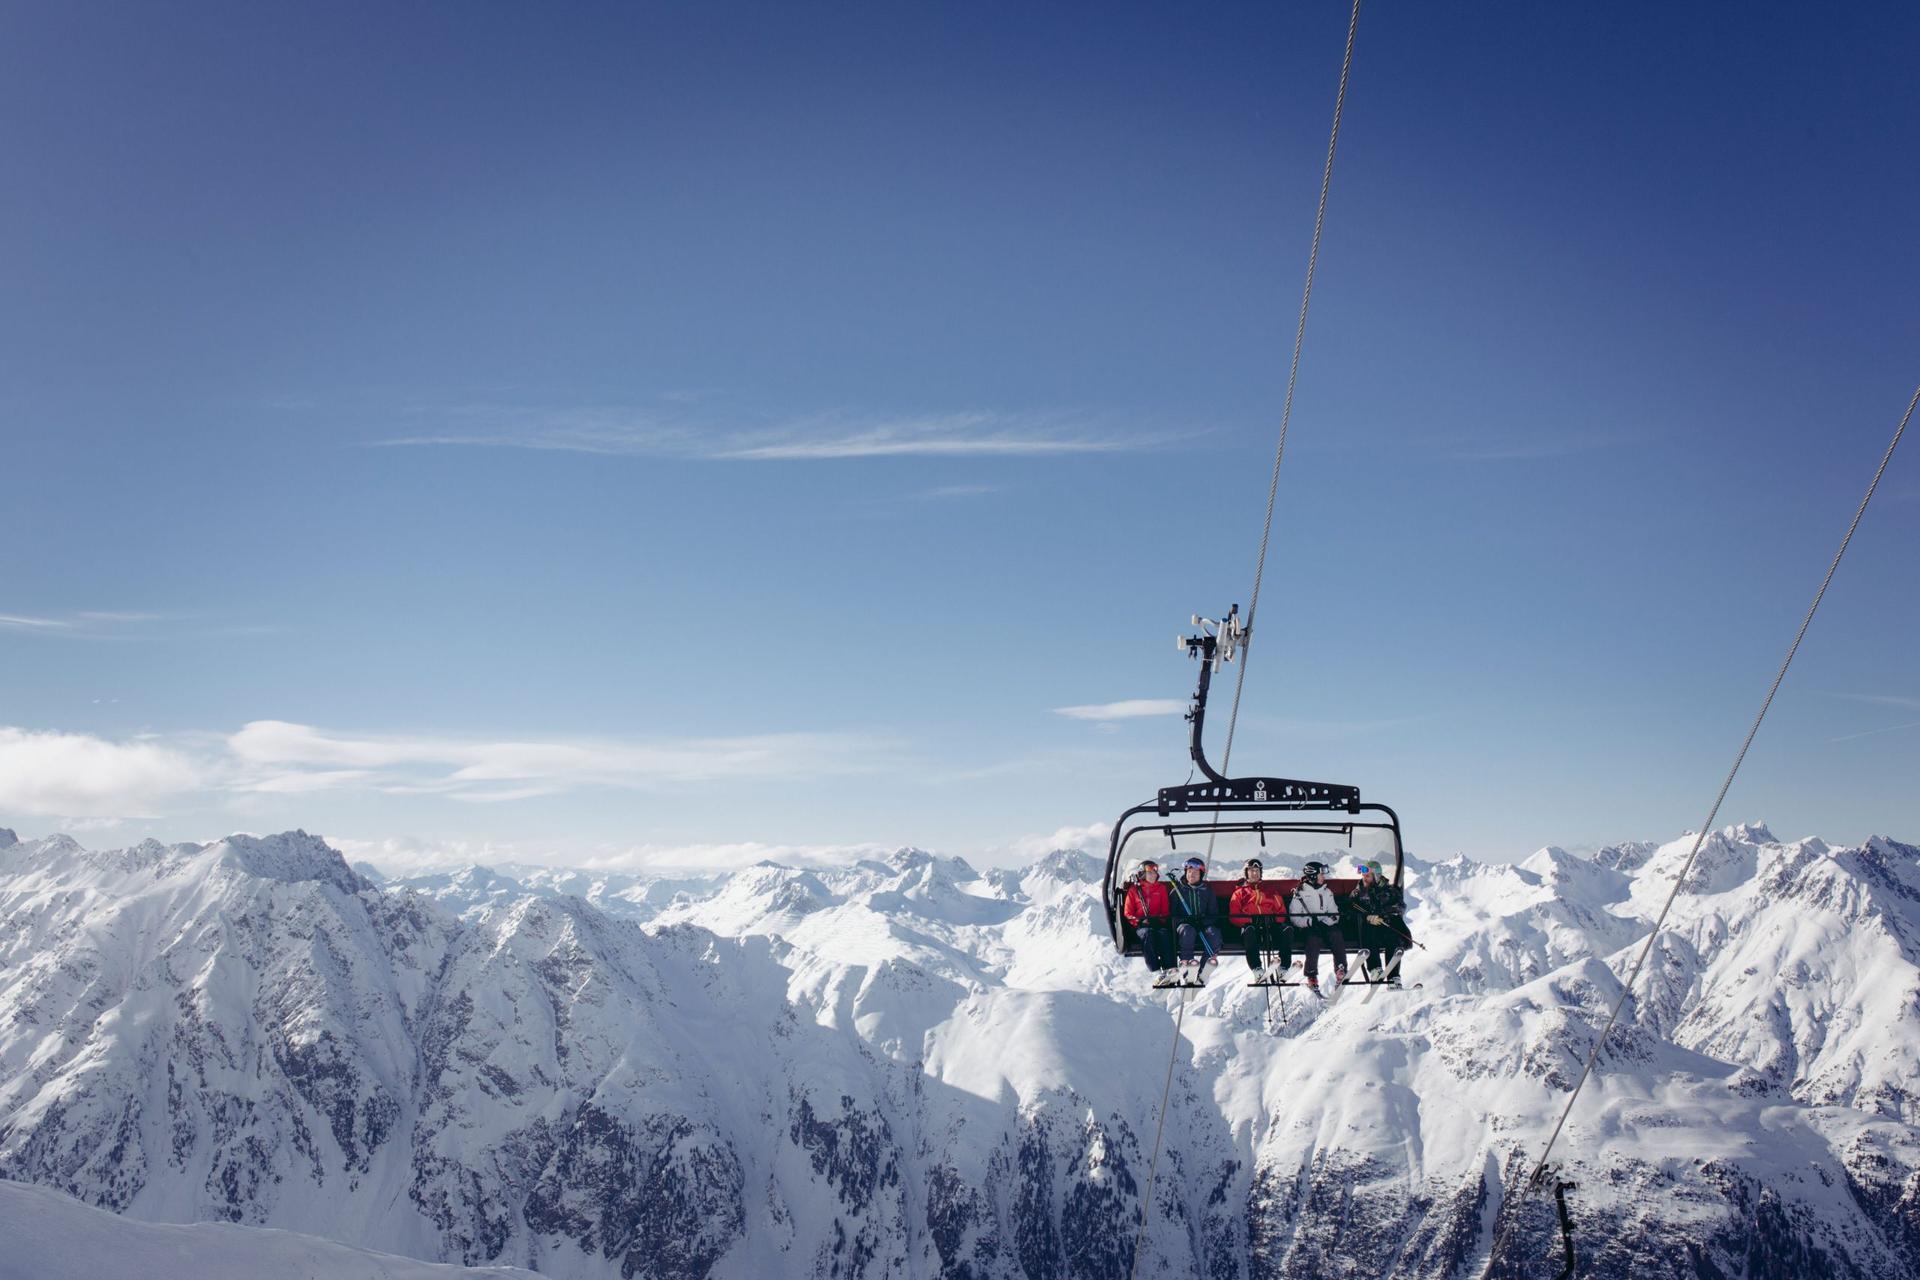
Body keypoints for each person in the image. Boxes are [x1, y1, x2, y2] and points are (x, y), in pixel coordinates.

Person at [1227, 858, 1291, 982]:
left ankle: (1283, 968)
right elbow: (1234, 915)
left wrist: (1273, 920)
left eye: (1257, 871)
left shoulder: (1271, 891)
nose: (1255, 873)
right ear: (1246, 873)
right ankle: (1257, 969)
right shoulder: (1239, 893)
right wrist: (1250, 920)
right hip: (1251, 927)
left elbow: (1281, 911)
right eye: (1251, 871)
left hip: (1269, 925)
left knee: (1287, 930)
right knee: (1249, 931)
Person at [1287, 860, 1347, 991]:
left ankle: (1340, 969)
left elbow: (1334, 912)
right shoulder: (1300, 893)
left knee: (1336, 934)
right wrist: (1309, 922)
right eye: (1321, 874)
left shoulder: (1327, 892)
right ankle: (1311, 975)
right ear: (1313, 875)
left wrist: (1326, 922)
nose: (1323, 877)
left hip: (1325, 925)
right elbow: (1294, 916)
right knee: (1313, 939)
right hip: (1309, 928)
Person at [1348, 859, 1410, 985]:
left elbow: (1400, 906)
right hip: (1366, 929)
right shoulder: (1358, 892)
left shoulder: (1389, 891)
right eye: (1363, 875)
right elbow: (1350, 908)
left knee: (1393, 939)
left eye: (1368, 875)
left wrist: (1382, 913)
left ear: (1376, 876)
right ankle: (1375, 969)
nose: (1364, 878)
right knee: (1369, 932)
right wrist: (1367, 917)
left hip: (1385, 925)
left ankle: (1393, 976)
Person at [1168, 855, 1224, 983]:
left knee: (1214, 934)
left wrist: (1202, 922)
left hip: (1203, 924)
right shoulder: (1178, 890)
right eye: (1189, 872)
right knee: (1188, 931)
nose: (1191, 875)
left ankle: (1203, 968)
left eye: (1195, 872)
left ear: (1201, 874)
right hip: (1184, 925)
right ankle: (1186, 965)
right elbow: (1172, 914)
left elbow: (1213, 913)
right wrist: (1185, 921)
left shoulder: (1207, 891)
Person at [1122, 859, 1177, 985]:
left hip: (1157, 923)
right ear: (1142, 874)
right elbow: (1128, 913)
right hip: (1141, 925)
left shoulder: (1161, 888)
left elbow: (1165, 909)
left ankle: (1170, 968)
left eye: (1154, 872)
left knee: (1165, 934)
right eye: (1149, 872)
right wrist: (1139, 921)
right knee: (1148, 934)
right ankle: (1157, 972)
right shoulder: (1135, 891)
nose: (1153, 875)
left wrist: (1160, 919)